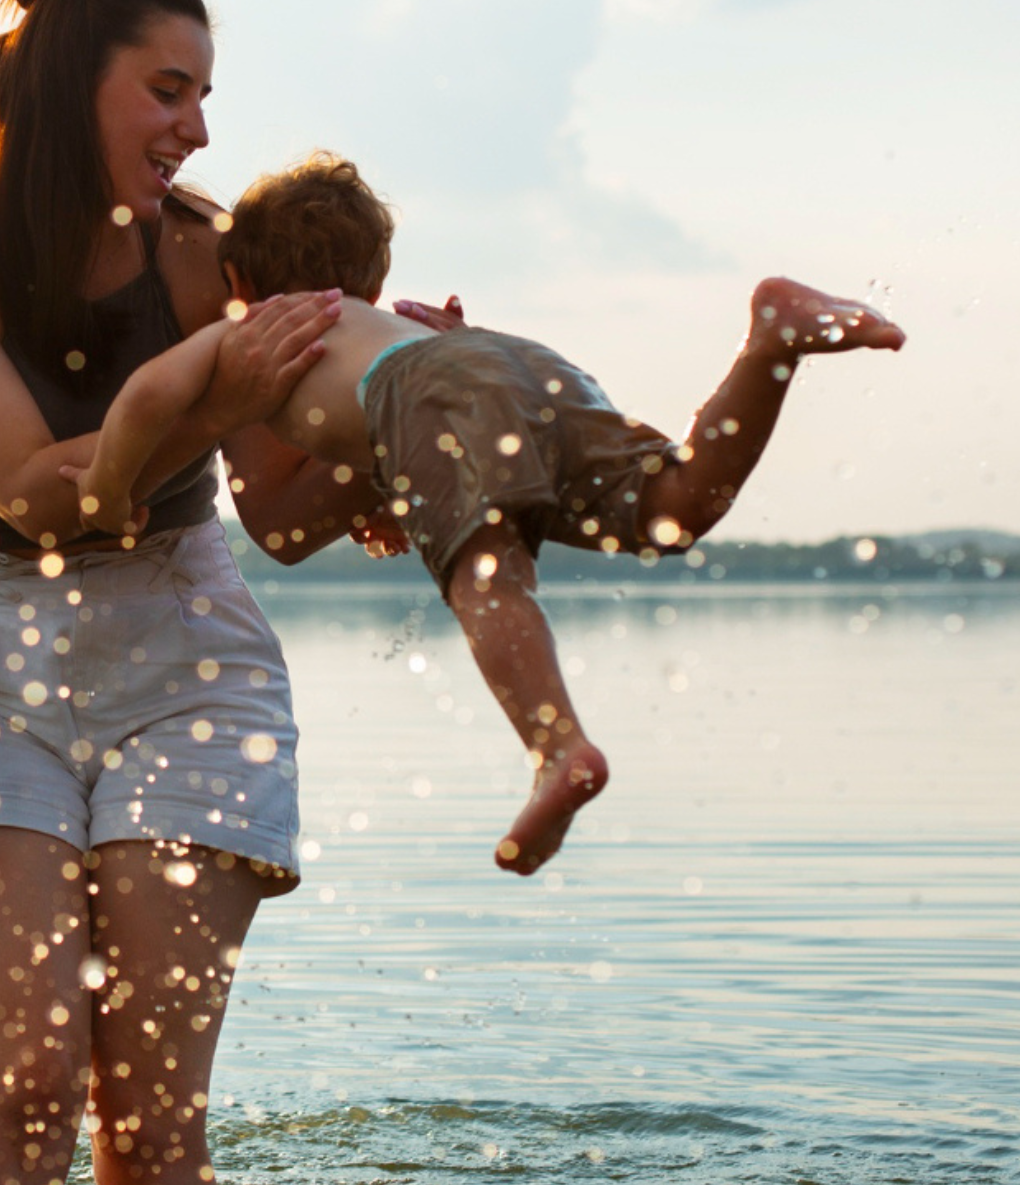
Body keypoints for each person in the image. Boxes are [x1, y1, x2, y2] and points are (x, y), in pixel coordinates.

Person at [0, 0, 389, 1185]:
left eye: (202, 96)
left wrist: (382, 433)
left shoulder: (209, 252)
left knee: (150, 1113)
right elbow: (47, 498)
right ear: (67, 84)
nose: (197, 127)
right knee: (28, 1083)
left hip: (192, 668)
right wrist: (206, 395)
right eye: (168, 90)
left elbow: (277, 512)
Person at [68, 152, 907, 878]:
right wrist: (397, 469)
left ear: (239, 282)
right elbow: (383, 441)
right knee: (671, 506)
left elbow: (153, 399)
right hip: (518, 360)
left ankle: (556, 749)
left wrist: (108, 485)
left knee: (488, 576)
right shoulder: (384, 325)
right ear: (375, 279)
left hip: (432, 391)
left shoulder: (256, 331)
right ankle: (768, 346)